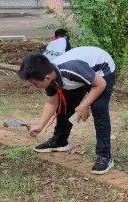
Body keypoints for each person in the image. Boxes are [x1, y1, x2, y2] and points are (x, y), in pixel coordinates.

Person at [19, 46, 116, 174]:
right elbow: (52, 102)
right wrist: (40, 125)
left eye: (35, 83)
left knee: (98, 108)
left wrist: (84, 105)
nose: (35, 86)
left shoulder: (71, 70)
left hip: (101, 70)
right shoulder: (51, 79)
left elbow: (100, 84)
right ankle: (60, 141)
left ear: (47, 77)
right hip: (83, 75)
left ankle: (105, 156)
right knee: (66, 104)